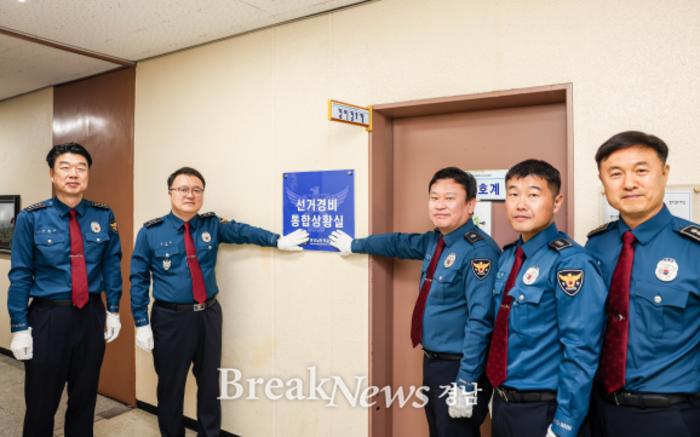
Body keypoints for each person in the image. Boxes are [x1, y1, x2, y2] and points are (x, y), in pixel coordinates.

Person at [129, 166, 309, 437]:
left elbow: (243, 232)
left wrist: (277, 240)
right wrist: (141, 322)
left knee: (210, 384)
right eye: (183, 189)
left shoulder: (211, 225)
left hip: (208, 315)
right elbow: (139, 278)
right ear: (170, 193)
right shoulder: (151, 232)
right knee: (170, 387)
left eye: (196, 190)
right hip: (170, 319)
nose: (190, 195)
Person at [329, 167, 499, 437]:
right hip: (435, 363)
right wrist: (355, 245)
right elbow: (398, 243)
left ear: (470, 205)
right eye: (434, 197)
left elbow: (481, 321)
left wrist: (466, 382)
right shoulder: (437, 242)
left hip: (461, 367)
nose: (440, 205)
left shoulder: (480, 252)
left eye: (449, 198)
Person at [585, 131, 700, 437]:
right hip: (598, 410)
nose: (629, 183)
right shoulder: (595, 246)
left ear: (664, 173)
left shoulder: (694, 248)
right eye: (615, 173)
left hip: (670, 416)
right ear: (602, 181)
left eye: (641, 170)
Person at [8, 142, 123, 437]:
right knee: (41, 403)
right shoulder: (31, 217)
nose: (74, 174)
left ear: (88, 174)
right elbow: (20, 274)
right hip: (48, 318)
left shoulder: (103, 215)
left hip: (91, 315)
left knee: (85, 399)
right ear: (52, 173)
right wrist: (19, 326)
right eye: (65, 167)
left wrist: (113, 310)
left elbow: (112, 265)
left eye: (81, 168)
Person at [486, 159, 606, 437]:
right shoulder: (509, 257)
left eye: (533, 194)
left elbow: (582, 349)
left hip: (545, 409)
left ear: (557, 202)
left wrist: (565, 423)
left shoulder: (571, 263)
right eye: (513, 194)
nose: (520, 204)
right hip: (504, 404)